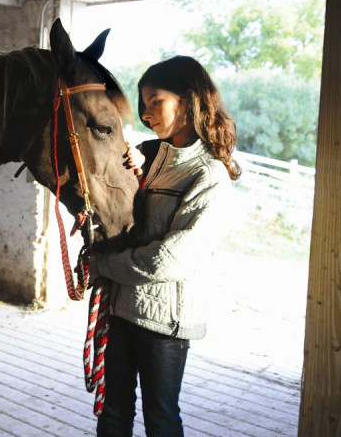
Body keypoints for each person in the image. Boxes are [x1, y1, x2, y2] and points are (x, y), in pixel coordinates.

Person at [89, 55, 241, 437]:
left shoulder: (209, 175)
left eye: (155, 101)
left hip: (164, 323)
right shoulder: (149, 154)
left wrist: (104, 266)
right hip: (122, 307)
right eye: (144, 103)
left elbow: (169, 259)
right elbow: (117, 212)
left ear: (189, 101)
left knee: (161, 418)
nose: (146, 113)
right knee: (112, 413)